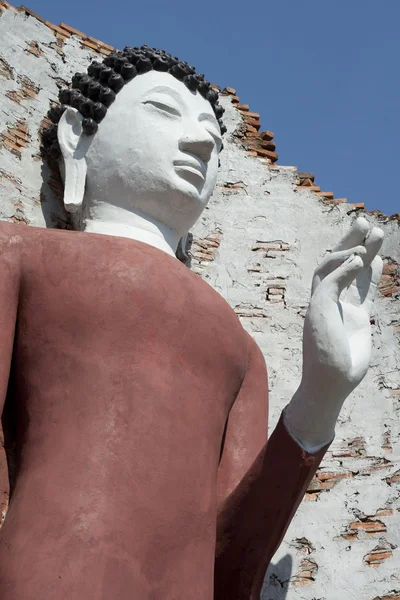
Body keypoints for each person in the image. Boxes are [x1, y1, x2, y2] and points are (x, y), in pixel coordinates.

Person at [0, 46, 383, 599]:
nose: (203, 143)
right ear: (77, 135)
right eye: (162, 110)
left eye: (215, 137)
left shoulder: (238, 345)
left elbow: (232, 566)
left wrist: (322, 394)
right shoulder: (20, 253)